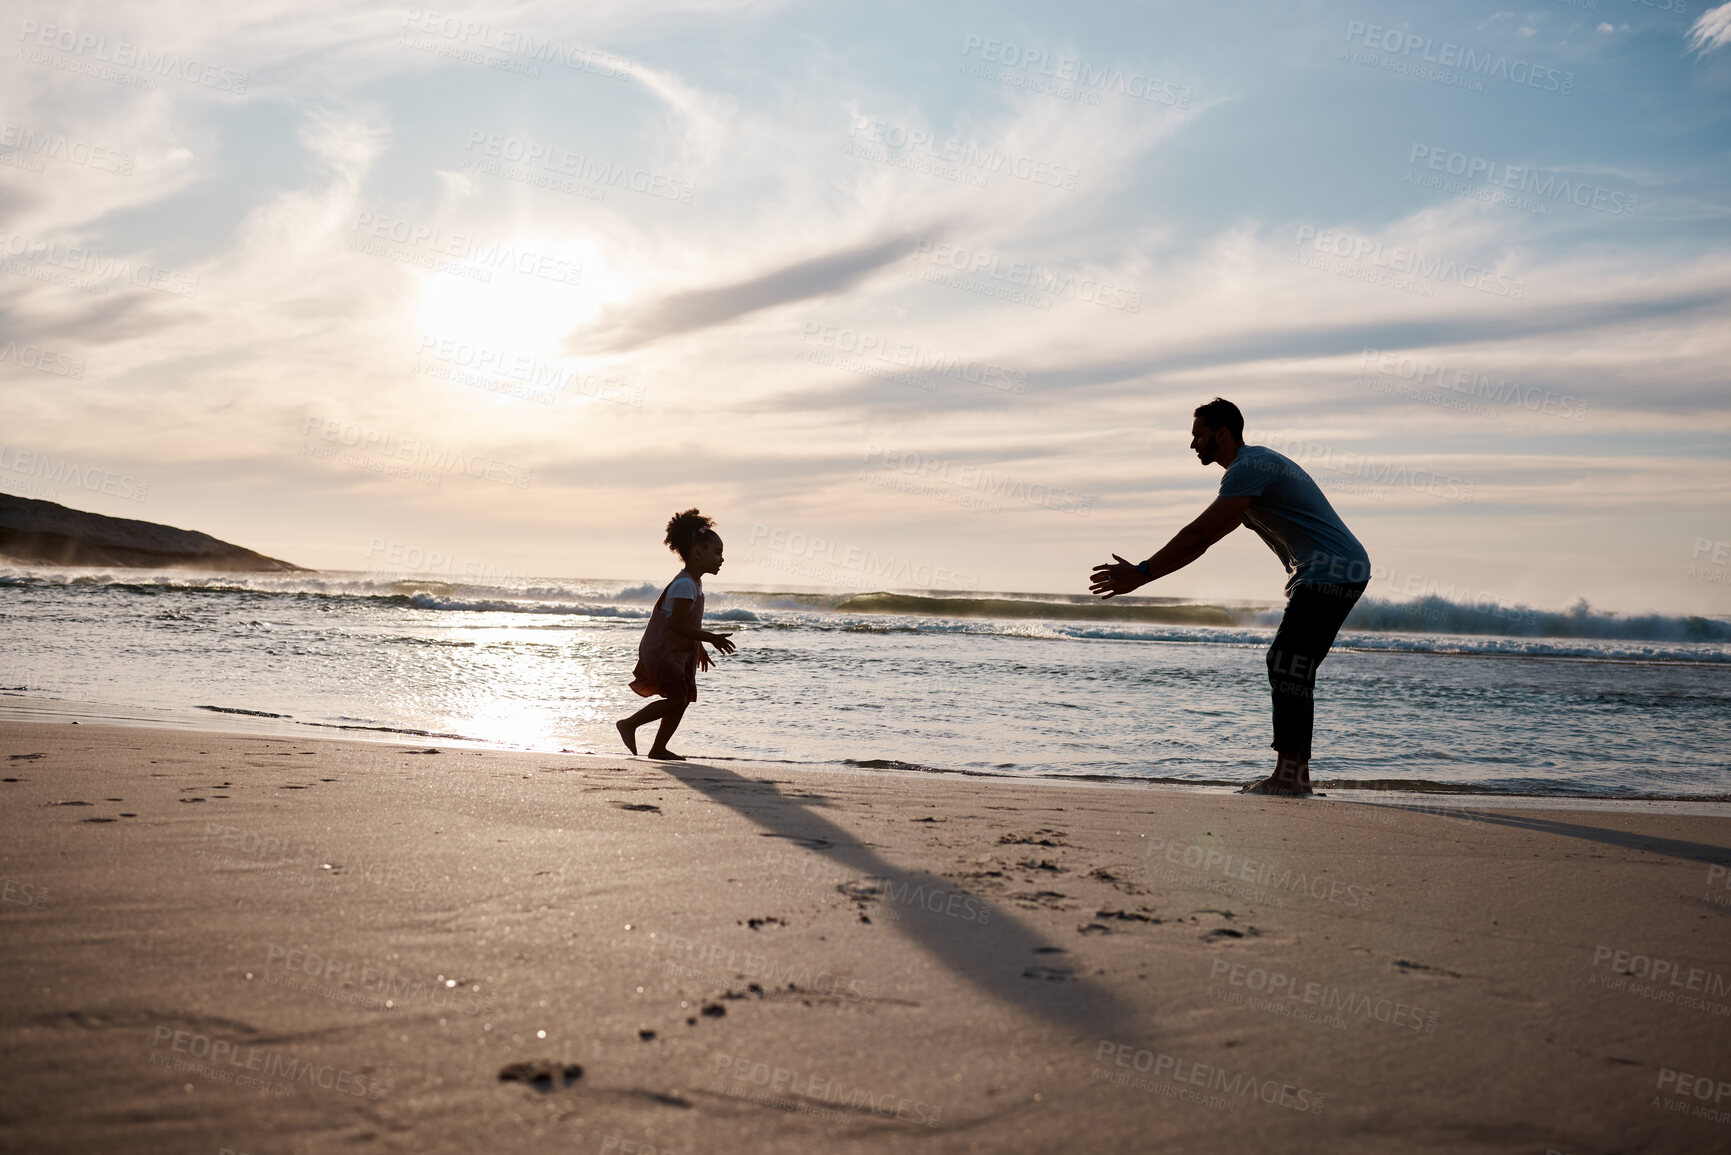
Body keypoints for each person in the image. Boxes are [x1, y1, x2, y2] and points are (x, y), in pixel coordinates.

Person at [1088, 399, 1370, 796]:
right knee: (1292, 664)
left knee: (1288, 662)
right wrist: (1144, 575)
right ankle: (1296, 776)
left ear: (1221, 434)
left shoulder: (1248, 468)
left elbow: (1198, 535)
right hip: (1332, 571)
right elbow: (1200, 544)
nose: (1193, 445)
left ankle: (1289, 777)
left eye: (1198, 436)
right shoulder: (1249, 474)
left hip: (1333, 571)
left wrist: (1142, 573)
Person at [617, 509, 736, 760]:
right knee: (677, 698)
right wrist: (711, 638)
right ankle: (629, 724)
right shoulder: (684, 584)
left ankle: (658, 748)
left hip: (679, 650)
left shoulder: (694, 583)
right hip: (664, 650)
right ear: (697, 553)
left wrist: (699, 648)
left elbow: (685, 623)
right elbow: (679, 625)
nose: (721, 560)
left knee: (681, 699)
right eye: (717, 553)